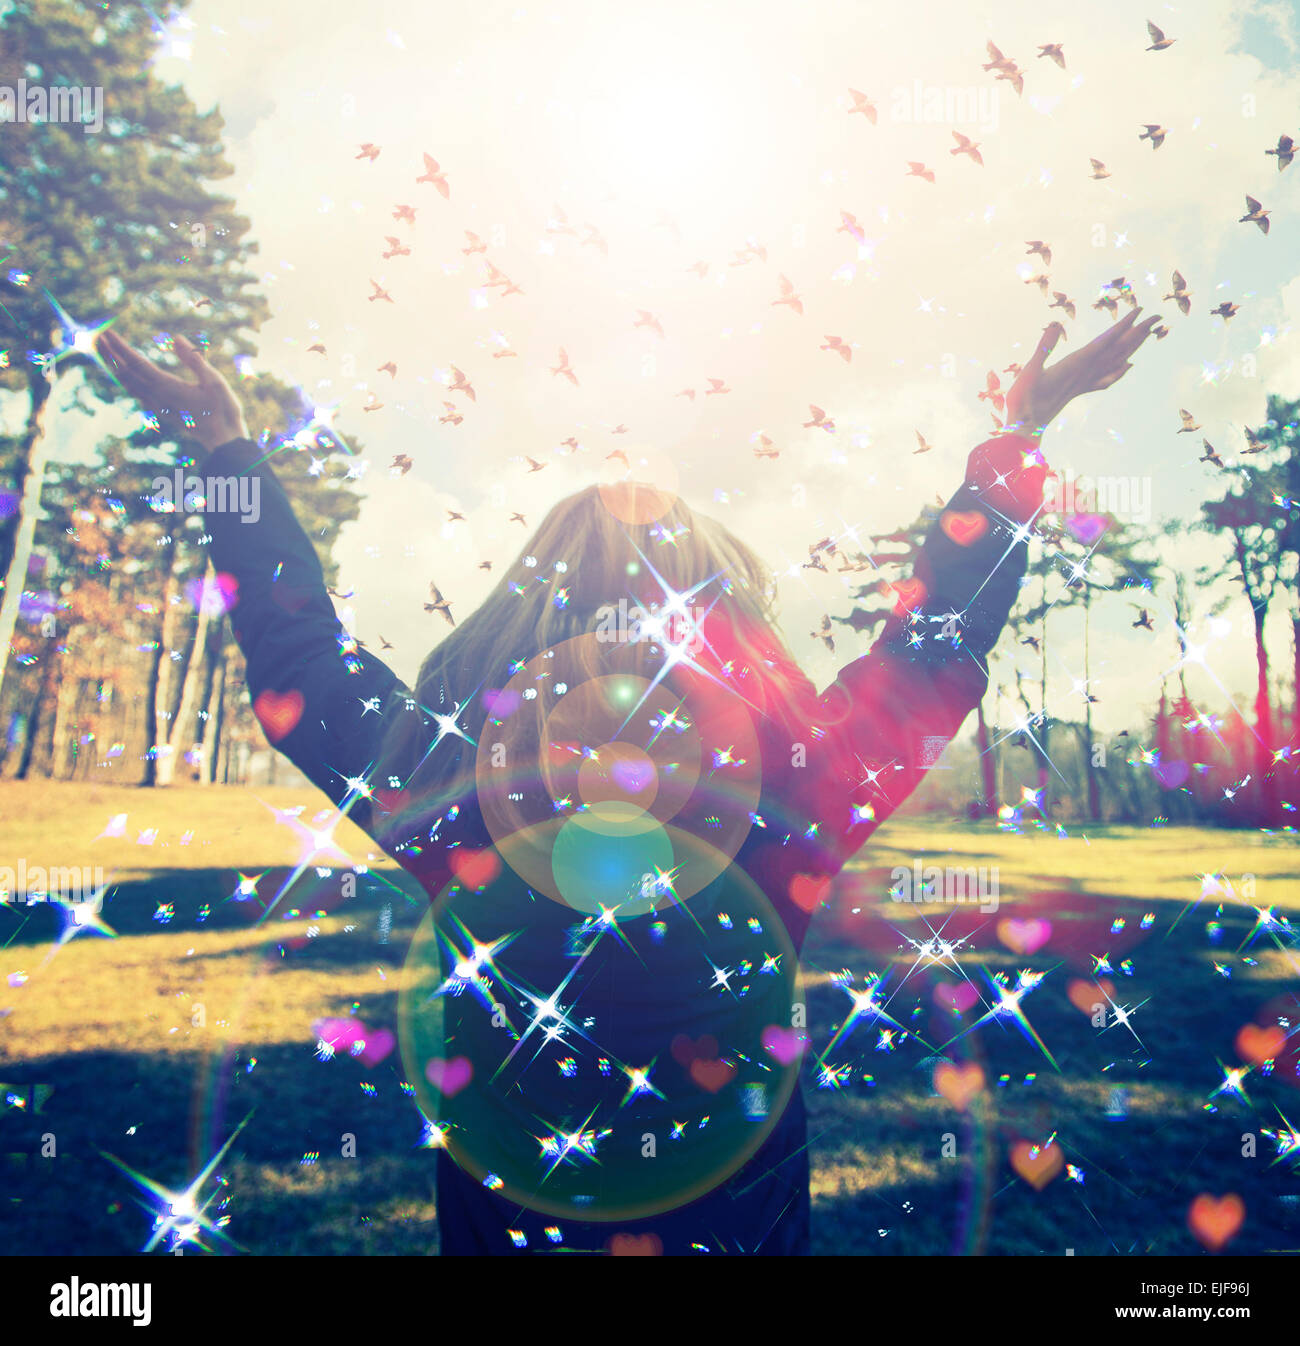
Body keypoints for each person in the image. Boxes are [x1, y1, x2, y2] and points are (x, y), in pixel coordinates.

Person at [96, 311, 1158, 1254]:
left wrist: (230, 457)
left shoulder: (455, 785)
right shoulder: (790, 791)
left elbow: (302, 659)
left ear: (520, 614)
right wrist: (1019, 436)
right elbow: (931, 645)